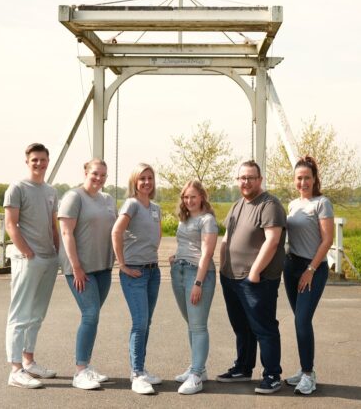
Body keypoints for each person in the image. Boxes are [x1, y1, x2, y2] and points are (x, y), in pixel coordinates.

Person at [217, 159, 287, 394]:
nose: (245, 182)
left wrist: (255, 271)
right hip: (231, 277)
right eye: (242, 178)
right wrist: (223, 264)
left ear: (260, 179)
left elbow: (273, 240)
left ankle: (272, 375)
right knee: (242, 327)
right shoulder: (238, 204)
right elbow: (227, 236)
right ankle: (243, 368)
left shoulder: (269, 204)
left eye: (250, 178)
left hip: (256, 280)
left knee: (263, 328)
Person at [4, 142, 59, 389]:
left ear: (48, 161)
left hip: (49, 258)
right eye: (34, 159)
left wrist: (57, 253)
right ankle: (15, 369)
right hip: (28, 259)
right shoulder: (17, 188)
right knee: (20, 314)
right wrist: (28, 253)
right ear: (27, 162)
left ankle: (29, 361)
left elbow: (52, 226)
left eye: (43, 159)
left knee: (37, 314)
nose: (39, 163)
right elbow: (10, 225)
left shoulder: (51, 191)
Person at [58, 159, 117, 390]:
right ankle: (80, 371)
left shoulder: (108, 200)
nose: (99, 179)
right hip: (80, 270)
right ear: (85, 172)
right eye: (95, 174)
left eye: (103, 175)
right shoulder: (74, 197)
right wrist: (76, 267)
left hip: (103, 266)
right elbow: (66, 232)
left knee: (93, 316)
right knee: (90, 314)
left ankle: (88, 367)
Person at [283, 156, 334, 395]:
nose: (303, 182)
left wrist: (310, 270)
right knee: (299, 320)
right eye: (299, 178)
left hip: (312, 269)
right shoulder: (293, 205)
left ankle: (308, 373)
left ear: (315, 180)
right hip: (291, 267)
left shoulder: (322, 203)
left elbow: (327, 240)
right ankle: (304, 369)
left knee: (302, 320)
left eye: (307, 178)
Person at [111, 163, 162, 395]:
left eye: (150, 178)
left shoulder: (155, 207)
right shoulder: (131, 204)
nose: (146, 182)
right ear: (135, 182)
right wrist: (122, 264)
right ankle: (137, 374)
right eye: (142, 179)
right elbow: (116, 232)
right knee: (139, 323)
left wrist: (151, 255)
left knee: (147, 323)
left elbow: (156, 234)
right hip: (134, 272)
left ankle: (141, 368)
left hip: (153, 271)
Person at [169, 180, 218, 395]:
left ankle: (196, 375)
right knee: (191, 322)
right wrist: (177, 256)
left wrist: (198, 282)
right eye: (185, 197)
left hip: (198, 274)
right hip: (178, 270)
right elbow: (187, 244)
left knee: (198, 326)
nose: (189, 201)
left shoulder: (207, 220)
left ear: (202, 197)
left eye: (193, 197)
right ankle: (198, 367)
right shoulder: (185, 218)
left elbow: (206, 253)